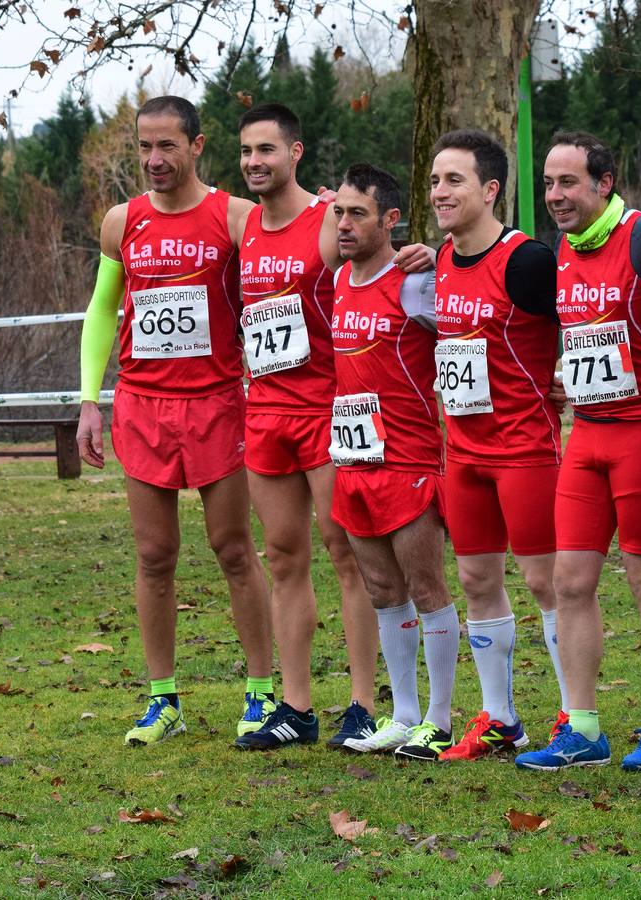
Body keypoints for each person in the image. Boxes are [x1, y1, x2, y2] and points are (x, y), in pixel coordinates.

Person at [76, 96, 274, 746]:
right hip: (142, 404)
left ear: (196, 145)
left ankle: (262, 691)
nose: (155, 161)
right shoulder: (120, 222)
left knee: (233, 548)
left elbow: (289, 271)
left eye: (167, 147)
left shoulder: (235, 217)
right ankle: (164, 701)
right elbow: (104, 310)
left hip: (217, 401)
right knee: (154, 554)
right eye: (144, 148)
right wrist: (88, 400)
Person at [516, 132, 641, 773]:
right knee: (569, 581)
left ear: (605, 183)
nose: (555, 196)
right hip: (586, 432)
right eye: (549, 184)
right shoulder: (563, 250)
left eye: (568, 183)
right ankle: (582, 726)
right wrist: (569, 370)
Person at [230, 103, 379, 751]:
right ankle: (294, 707)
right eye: (245, 152)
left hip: (326, 407)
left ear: (295, 153)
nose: (254, 162)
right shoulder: (245, 228)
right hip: (265, 412)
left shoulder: (326, 218)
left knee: (347, 553)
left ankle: (363, 704)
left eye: (266, 150)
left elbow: (377, 256)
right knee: (284, 557)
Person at [426, 129, 568, 760]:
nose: (439, 192)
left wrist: (566, 375)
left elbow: (585, 315)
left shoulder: (527, 260)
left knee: (546, 581)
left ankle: (574, 714)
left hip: (524, 447)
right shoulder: (437, 260)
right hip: (466, 452)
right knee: (476, 576)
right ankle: (501, 717)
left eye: (454, 180)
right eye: (434, 181)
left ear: (489, 189)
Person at [327, 163, 460, 762]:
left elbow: (469, 324)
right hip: (353, 459)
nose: (345, 225)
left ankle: (440, 717)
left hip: (409, 455)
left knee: (427, 586)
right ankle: (403, 715)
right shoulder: (337, 282)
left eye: (358, 214)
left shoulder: (415, 281)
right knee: (382, 590)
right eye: (339, 213)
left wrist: (440, 259)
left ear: (391, 220)